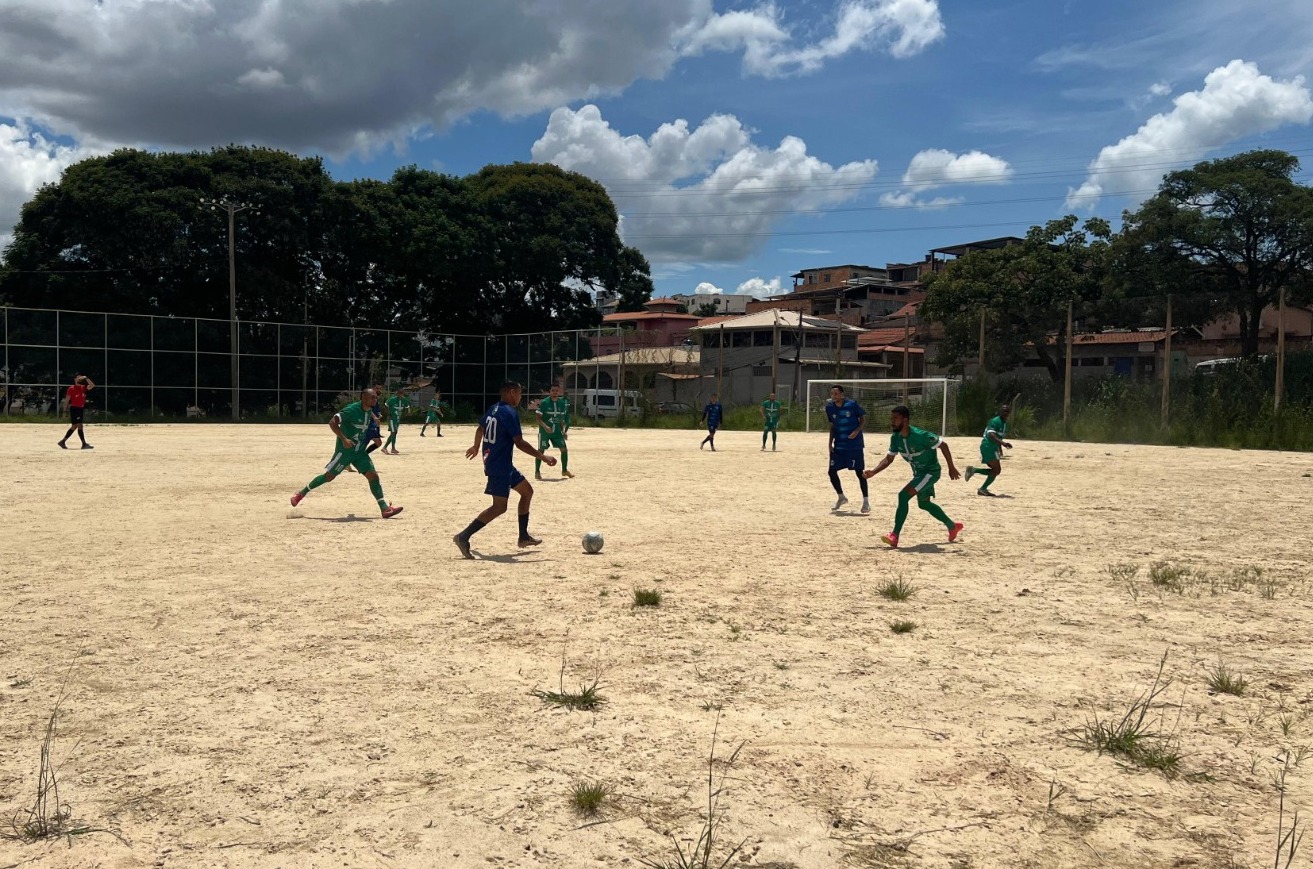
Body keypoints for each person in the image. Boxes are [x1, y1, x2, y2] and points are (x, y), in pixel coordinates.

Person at [453, 381, 557, 559]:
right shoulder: (510, 412)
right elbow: (520, 442)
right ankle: (463, 536)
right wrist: (543, 457)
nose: (520, 397)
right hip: (499, 465)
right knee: (499, 507)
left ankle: (523, 537)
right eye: (519, 393)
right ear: (511, 392)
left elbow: (481, 428)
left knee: (527, 492)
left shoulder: (494, 408)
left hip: (501, 463)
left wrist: (476, 446)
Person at [290, 388, 403, 518]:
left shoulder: (368, 409)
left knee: (373, 476)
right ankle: (301, 494)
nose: (375, 399)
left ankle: (384, 508)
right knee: (328, 477)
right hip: (345, 451)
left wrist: (375, 418)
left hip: (359, 451)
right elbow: (332, 422)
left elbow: (369, 412)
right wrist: (344, 439)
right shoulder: (351, 410)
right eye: (372, 397)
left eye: (375, 397)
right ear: (363, 398)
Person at [863, 404, 963, 549]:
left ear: (905, 420)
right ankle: (952, 526)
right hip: (919, 474)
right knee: (924, 504)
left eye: (895, 418)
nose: (892, 421)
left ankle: (894, 536)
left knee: (903, 496)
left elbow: (943, 445)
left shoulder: (921, 436)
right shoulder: (895, 438)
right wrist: (873, 471)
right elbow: (888, 459)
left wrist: (951, 467)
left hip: (930, 472)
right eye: (891, 418)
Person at [825, 385, 868, 513]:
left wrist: (857, 430)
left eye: (836, 394)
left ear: (842, 394)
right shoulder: (829, 408)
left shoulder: (852, 405)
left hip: (854, 446)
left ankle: (866, 502)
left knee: (860, 473)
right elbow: (832, 426)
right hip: (839, 445)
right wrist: (829, 443)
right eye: (832, 394)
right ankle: (841, 497)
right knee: (832, 472)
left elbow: (862, 419)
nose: (834, 396)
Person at [966, 405, 1013, 496]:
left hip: (993, 448)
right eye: (1003, 411)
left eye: (1007, 411)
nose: (1005, 413)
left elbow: (998, 436)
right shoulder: (995, 421)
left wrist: (1000, 450)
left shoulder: (1003, 423)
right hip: (988, 446)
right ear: (1000, 412)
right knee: (996, 470)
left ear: (1009, 413)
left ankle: (974, 472)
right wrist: (1003, 443)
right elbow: (991, 435)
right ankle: (982, 487)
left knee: (996, 470)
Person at [535, 384, 574, 480]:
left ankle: (564, 470)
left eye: (556, 391)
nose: (555, 392)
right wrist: (545, 426)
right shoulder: (544, 402)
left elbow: (560, 419)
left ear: (559, 392)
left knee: (564, 449)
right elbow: (538, 418)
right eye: (553, 391)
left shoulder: (561, 403)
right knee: (541, 451)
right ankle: (537, 471)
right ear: (550, 391)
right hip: (544, 432)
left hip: (557, 432)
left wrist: (563, 431)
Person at [58, 374, 95, 450]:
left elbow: (92, 385)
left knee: (74, 426)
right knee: (80, 425)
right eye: (77, 379)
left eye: (80, 379)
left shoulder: (83, 388)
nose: (79, 380)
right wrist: (64, 412)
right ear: (75, 380)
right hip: (75, 409)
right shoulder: (71, 388)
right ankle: (84, 444)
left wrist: (86, 378)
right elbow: (67, 400)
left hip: (80, 409)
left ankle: (62, 441)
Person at [382, 387, 410, 454]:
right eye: (399, 394)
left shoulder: (404, 400)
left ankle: (393, 448)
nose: (400, 395)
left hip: (397, 419)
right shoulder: (392, 399)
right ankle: (384, 447)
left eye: (402, 394)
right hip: (391, 418)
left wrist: (408, 412)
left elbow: (407, 407)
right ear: (397, 394)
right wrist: (388, 413)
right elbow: (386, 405)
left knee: (395, 433)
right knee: (393, 432)